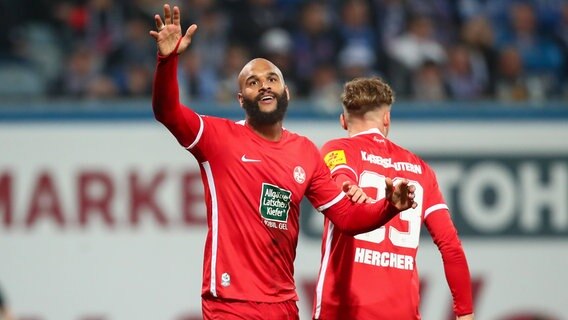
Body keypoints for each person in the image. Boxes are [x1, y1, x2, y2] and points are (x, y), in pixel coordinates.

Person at [148, 4, 417, 320]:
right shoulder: (217, 138)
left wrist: (389, 207)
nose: (264, 85)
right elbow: (167, 111)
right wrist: (168, 61)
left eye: (272, 79)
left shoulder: (304, 151)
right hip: (230, 303)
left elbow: (346, 218)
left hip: (282, 305)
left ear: (285, 91)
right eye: (253, 82)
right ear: (241, 99)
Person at [313, 77, 474, 320]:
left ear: (343, 121)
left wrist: (347, 188)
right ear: (387, 119)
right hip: (402, 312)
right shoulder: (421, 170)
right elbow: (451, 247)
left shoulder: (336, 149)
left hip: (344, 311)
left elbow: (341, 180)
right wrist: (465, 313)